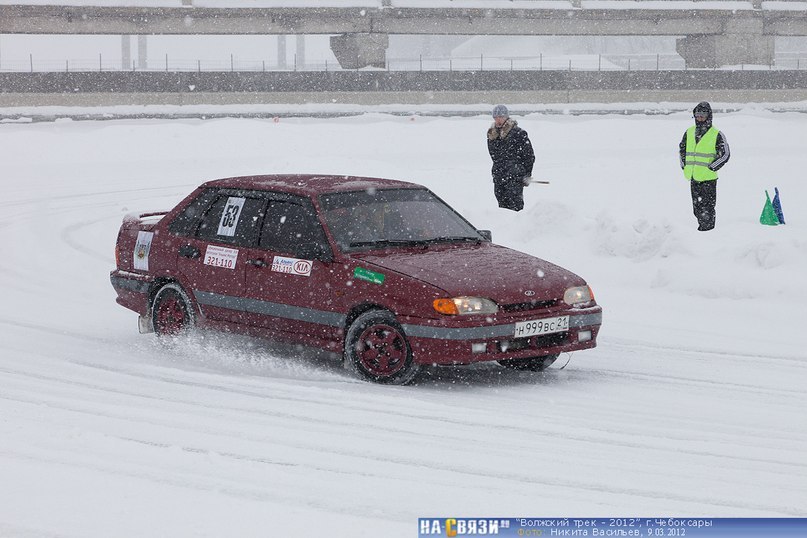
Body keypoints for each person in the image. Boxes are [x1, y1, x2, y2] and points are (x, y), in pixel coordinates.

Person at [679, 101, 730, 231]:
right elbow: (682, 150)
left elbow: (725, 154)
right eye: (697, 115)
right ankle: (703, 231)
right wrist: (684, 165)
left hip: (708, 179)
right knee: (697, 209)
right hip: (693, 177)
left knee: (707, 210)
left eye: (703, 115)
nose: (700, 118)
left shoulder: (716, 134)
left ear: (709, 116)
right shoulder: (689, 132)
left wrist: (712, 167)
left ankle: (707, 233)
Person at [487, 104, 535, 212]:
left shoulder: (518, 133)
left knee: (515, 207)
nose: (498, 120)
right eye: (496, 117)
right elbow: (494, 156)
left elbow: (529, 156)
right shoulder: (492, 135)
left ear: (506, 117)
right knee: (502, 209)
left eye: (501, 117)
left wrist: (527, 174)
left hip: (515, 177)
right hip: (499, 176)